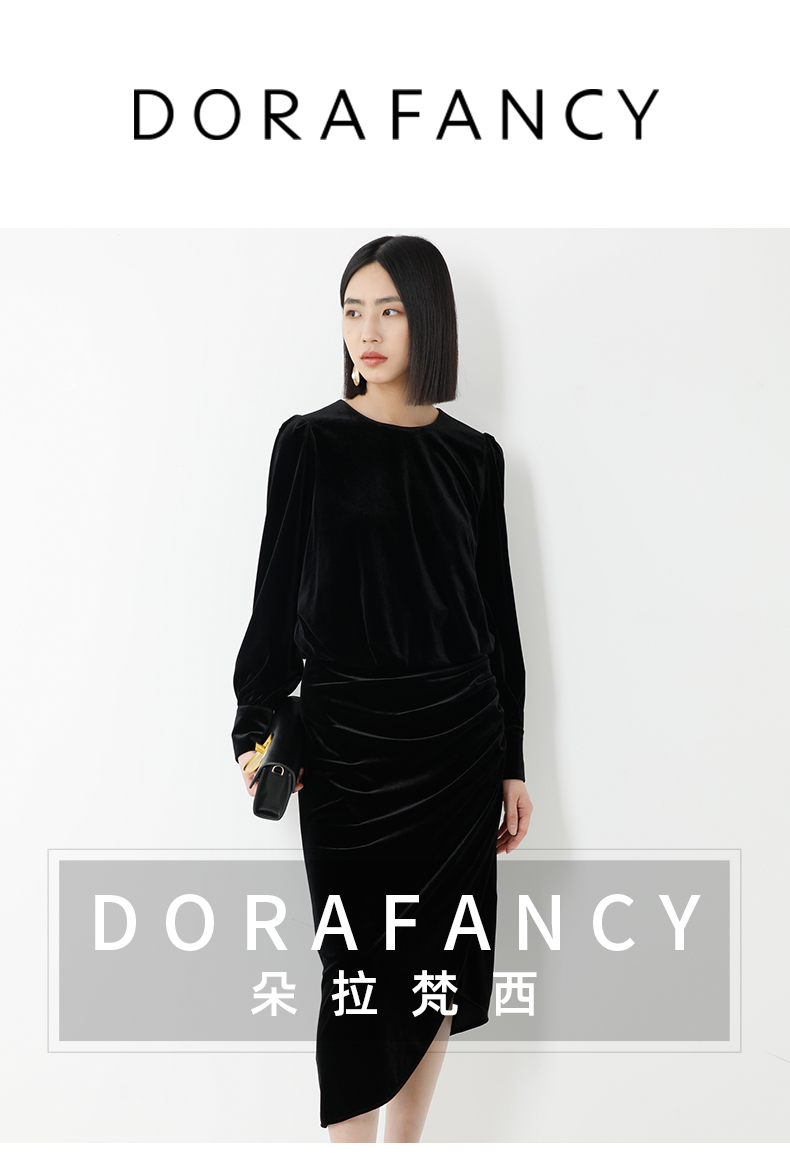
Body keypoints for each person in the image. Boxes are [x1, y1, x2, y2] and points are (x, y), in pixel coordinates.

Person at [231, 234, 533, 1142]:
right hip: (349, 748)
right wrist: (255, 726)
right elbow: (273, 601)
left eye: (390, 310)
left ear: (427, 320)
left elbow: (498, 620)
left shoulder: (476, 457)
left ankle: (404, 1152)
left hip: (457, 746)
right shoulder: (309, 442)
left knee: (441, 962)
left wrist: (512, 762)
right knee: (355, 965)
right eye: (353, 310)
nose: (367, 330)